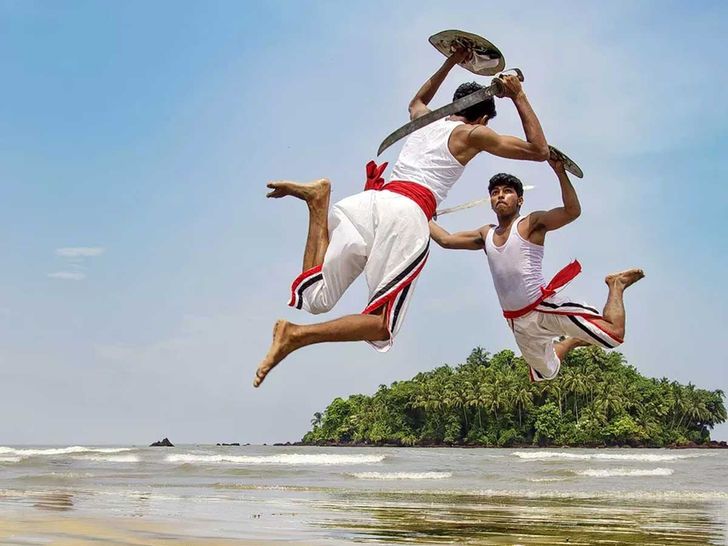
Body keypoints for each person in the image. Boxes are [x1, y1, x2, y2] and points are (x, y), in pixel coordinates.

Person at [254, 45, 550, 387]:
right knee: (381, 324)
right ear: (483, 117)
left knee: (314, 298)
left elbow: (416, 102)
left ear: (453, 106)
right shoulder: (473, 132)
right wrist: (518, 96)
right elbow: (539, 151)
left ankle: (317, 201)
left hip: (369, 204)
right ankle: (294, 335)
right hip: (405, 216)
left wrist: (451, 61)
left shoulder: (428, 120)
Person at [429, 155, 644, 382]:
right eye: (495, 192)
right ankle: (571, 340)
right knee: (546, 373)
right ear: (491, 201)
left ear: (520, 200)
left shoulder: (531, 223)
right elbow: (446, 240)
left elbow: (572, 211)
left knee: (613, 335)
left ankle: (616, 284)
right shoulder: (486, 234)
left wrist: (560, 172)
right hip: (518, 322)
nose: (500, 195)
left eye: (507, 191)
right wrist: (424, 214)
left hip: (544, 308)